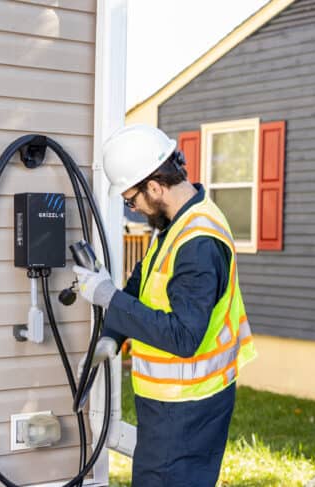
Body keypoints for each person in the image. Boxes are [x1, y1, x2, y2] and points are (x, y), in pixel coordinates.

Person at [73, 125, 258, 486]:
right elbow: (140, 284)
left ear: (154, 187)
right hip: (171, 406)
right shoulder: (176, 223)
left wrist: (107, 297)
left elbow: (184, 337)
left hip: (187, 409)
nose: (134, 209)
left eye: (132, 200)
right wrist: (110, 335)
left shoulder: (197, 244)